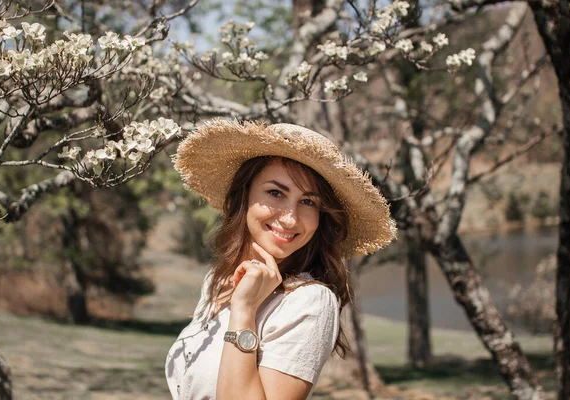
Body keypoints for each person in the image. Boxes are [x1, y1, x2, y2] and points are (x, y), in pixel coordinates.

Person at [165, 120, 396, 400]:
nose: (290, 218)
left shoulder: (308, 302)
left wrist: (244, 310)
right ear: (245, 193)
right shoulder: (218, 278)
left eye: (308, 202)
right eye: (276, 193)